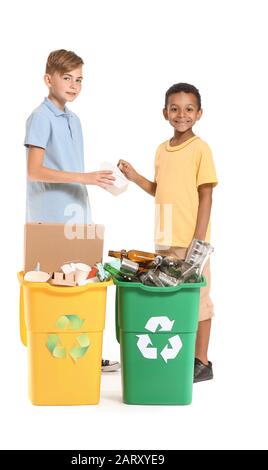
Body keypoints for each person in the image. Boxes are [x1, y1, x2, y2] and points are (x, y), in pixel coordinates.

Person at [24, 49, 120, 372]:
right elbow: (34, 171)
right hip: (49, 219)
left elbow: (70, 166)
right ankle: (52, 359)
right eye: (67, 78)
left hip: (77, 215)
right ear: (48, 79)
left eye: (79, 80)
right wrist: (85, 177)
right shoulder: (40, 117)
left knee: (82, 284)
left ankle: (88, 354)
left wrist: (97, 182)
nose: (74, 85)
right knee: (53, 288)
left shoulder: (75, 120)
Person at [118, 83, 218, 383]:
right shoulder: (162, 150)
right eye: (175, 109)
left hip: (190, 241)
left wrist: (197, 243)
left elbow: (206, 195)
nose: (181, 115)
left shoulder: (200, 149)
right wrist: (135, 177)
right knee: (171, 299)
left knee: (198, 298)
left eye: (189, 109)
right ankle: (178, 353)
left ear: (199, 114)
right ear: (165, 113)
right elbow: (159, 190)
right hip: (164, 239)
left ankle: (202, 362)